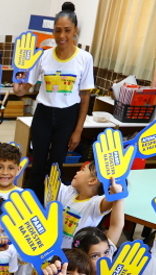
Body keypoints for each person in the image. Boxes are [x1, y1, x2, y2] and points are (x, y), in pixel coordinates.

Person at [12, 3, 94, 201]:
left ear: (75, 31)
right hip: (43, 115)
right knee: (38, 163)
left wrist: (78, 130)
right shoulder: (44, 56)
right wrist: (18, 89)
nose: (62, 35)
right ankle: (33, 204)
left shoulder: (84, 58)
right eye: (57, 31)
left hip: (68, 116)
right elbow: (25, 88)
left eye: (67, 30)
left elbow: (85, 98)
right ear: (53, 32)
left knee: (56, 165)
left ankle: (51, 204)